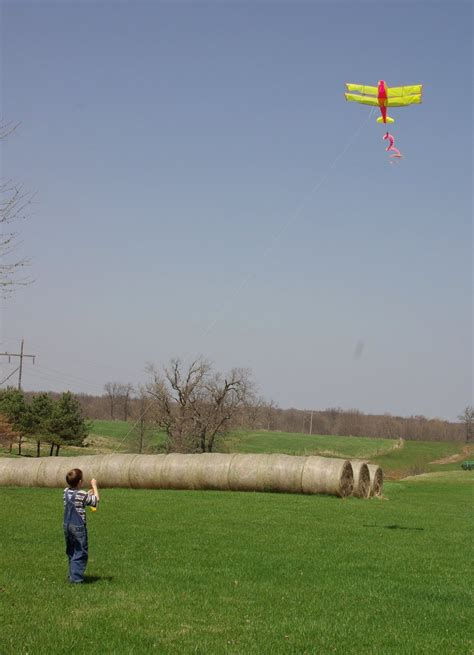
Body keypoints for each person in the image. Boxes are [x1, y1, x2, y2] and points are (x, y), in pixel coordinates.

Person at [63, 468, 99, 583]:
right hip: (78, 527)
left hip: (67, 526)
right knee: (80, 552)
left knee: (72, 551)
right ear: (80, 482)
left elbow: (79, 498)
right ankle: (77, 579)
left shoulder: (65, 492)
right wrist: (94, 486)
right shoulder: (81, 494)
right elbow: (95, 501)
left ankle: (72, 575)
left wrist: (87, 494)